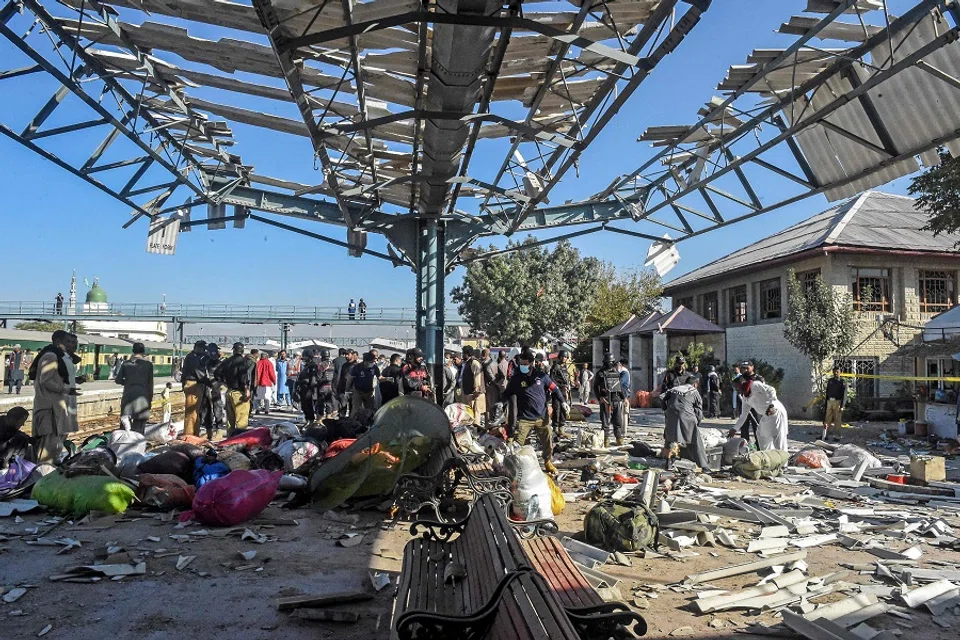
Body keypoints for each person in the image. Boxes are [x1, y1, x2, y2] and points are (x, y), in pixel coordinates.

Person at [501, 348, 567, 474]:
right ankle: (514, 468)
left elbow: (555, 389)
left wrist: (563, 402)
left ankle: (548, 462)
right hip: (524, 418)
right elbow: (506, 394)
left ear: (531, 363)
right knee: (517, 444)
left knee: (548, 441)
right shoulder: (516, 378)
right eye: (521, 363)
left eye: (525, 364)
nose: (523, 366)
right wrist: (500, 403)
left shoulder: (541, 376)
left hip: (542, 417)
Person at [30, 330, 79, 464]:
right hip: (49, 407)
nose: (72, 345)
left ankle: (47, 472)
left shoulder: (60, 357)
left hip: (57, 406)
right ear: (57, 341)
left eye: (73, 342)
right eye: (68, 342)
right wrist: (66, 389)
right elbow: (45, 380)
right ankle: (42, 475)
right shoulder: (51, 356)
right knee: (48, 448)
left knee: (55, 445)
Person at [662, 382, 710, 470]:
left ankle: (668, 462)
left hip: (671, 415)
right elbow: (699, 410)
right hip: (687, 418)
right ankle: (704, 466)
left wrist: (668, 414)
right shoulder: (693, 391)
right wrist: (697, 423)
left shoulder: (674, 389)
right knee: (695, 441)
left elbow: (663, 402)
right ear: (694, 384)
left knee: (670, 439)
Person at [735, 378, 788, 451]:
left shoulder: (755, 385)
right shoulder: (745, 398)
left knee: (778, 437)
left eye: (737, 387)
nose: (736, 390)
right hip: (766, 415)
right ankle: (768, 456)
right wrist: (735, 429)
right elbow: (744, 415)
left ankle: (783, 459)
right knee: (761, 434)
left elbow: (771, 389)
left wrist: (772, 405)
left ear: (742, 384)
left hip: (775, 411)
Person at [115, 342, 154, 433]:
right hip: (143, 396)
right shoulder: (148, 365)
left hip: (128, 396)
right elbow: (150, 383)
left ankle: (124, 442)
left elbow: (118, 380)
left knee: (125, 423)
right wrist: (150, 398)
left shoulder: (125, 364)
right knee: (140, 424)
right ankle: (137, 443)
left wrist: (128, 382)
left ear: (133, 351)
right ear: (143, 351)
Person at [215, 342, 253, 430]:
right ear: (242, 351)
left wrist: (224, 382)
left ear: (233, 351)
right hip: (240, 393)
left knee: (230, 419)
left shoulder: (226, 361)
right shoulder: (245, 362)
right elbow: (244, 377)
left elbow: (217, 373)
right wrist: (247, 390)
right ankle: (239, 440)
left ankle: (230, 438)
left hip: (229, 391)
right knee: (241, 419)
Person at [593, 352, 626, 447]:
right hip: (606, 400)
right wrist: (600, 397)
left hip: (616, 399)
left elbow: (619, 388)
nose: (610, 364)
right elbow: (595, 387)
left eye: (611, 362)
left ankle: (619, 439)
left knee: (618, 422)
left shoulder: (616, 373)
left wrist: (624, 398)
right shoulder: (600, 373)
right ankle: (606, 441)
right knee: (605, 423)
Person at [180, 340, 207, 437]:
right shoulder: (192, 358)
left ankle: (195, 433)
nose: (204, 351)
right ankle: (189, 434)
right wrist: (209, 382)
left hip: (196, 384)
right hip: (193, 384)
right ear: (198, 348)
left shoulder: (195, 357)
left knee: (195, 412)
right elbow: (198, 372)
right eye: (203, 348)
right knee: (191, 412)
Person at [199, 343, 225, 439]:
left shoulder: (220, 363)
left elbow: (223, 376)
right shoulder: (204, 361)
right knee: (206, 409)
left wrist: (220, 383)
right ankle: (208, 430)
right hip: (206, 386)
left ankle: (219, 430)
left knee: (217, 407)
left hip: (216, 386)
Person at [549, 351, 573, 436]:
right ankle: (555, 427)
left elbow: (567, 379)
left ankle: (561, 427)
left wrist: (569, 385)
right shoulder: (555, 367)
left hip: (564, 391)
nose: (564, 358)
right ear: (559, 357)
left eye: (565, 357)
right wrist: (559, 386)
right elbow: (551, 380)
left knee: (564, 409)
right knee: (556, 409)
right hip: (557, 390)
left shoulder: (565, 368)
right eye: (562, 356)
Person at [460, 346, 486, 423]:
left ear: (467, 354)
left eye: (463, 353)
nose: (462, 355)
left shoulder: (474, 363)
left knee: (476, 413)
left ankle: (475, 431)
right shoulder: (468, 362)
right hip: (469, 393)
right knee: (469, 413)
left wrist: (476, 391)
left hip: (475, 394)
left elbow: (477, 378)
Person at [296, 350, 322, 424]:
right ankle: (307, 419)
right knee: (304, 406)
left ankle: (310, 420)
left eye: (305, 358)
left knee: (308, 406)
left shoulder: (313, 366)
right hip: (303, 389)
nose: (304, 359)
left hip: (308, 389)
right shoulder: (306, 366)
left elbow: (313, 379)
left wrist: (310, 389)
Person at [823, 366, 847, 441]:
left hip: (838, 402)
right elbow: (827, 392)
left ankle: (837, 436)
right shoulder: (830, 381)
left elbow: (844, 394)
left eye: (837, 371)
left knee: (837, 420)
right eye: (834, 371)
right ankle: (825, 435)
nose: (835, 373)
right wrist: (826, 402)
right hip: (830, 401)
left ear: (840, 372)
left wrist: (842, 405)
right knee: (827, 419)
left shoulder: (842, 382)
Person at [317, 349, 337, 417]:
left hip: (322, 387)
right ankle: (328, 419)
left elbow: (319, 376)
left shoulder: (321, 364)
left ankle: (320, 420)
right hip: (330, 386)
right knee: (329, 404)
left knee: (320, 404)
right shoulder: (332, 364)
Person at [331, 348, 348, 416]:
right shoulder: (346, 361)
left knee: (336, 396)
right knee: (343, 398)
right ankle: (342, 413)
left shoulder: (335, 360)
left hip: (335, 380)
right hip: (344, 381)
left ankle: (337, 409)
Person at [618, 358, 632, 432]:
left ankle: (623, 431)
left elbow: (621, 384)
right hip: (623, 394)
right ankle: (621, 430)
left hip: (623, 395)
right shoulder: (623, 372)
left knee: (624, 414)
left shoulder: (624, 372)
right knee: (622, 413)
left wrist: (625, 397)